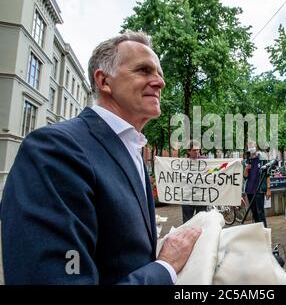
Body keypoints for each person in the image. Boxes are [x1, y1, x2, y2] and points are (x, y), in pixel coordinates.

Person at [0, 32, 201, 284]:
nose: (159, 82)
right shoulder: (54, 148)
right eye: (143, 70)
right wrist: (165, 268)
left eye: (159, 74)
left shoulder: (132, 149)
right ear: (104, 81)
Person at [243, 143, 271, 228]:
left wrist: (268, 189)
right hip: (249, 190)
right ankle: (258, 232)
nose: (251, 148)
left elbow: (267, 175)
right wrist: (246, 168)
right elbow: (245, 176)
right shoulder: (246, 161)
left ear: (256, 148)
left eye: (253, 146)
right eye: (249, 146)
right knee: (254, 213)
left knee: (260, 212)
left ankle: (264, 232)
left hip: (259, 190)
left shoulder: (263, 160)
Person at [181, 140, 207, 223]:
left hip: (201, 197)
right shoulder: (182, 164)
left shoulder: (206, 162)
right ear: (188, 151)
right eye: (194, 150)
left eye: (198, 150)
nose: (197, 152)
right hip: (187, 197)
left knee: (201, 222)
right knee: (187, 223)